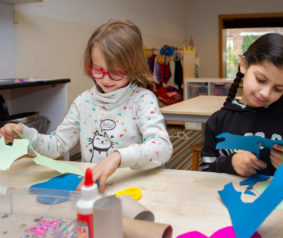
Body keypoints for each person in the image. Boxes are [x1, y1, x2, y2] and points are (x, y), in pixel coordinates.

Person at [0, 20, 173, 192]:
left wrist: (118, 157)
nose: (105, 79)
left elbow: (162, 147)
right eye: (98, 69)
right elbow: (58, 144)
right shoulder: (83, 102)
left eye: (115, 73)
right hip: (95, 189)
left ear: (133, 67)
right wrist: (26, 134)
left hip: (134, 187)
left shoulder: (143, 100)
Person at [200, 33, 283, 179]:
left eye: (278, 89)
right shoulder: (219, 120)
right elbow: (205, 169)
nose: (265, 94)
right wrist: (230, 163)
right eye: (261, 80)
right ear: (244, 64)